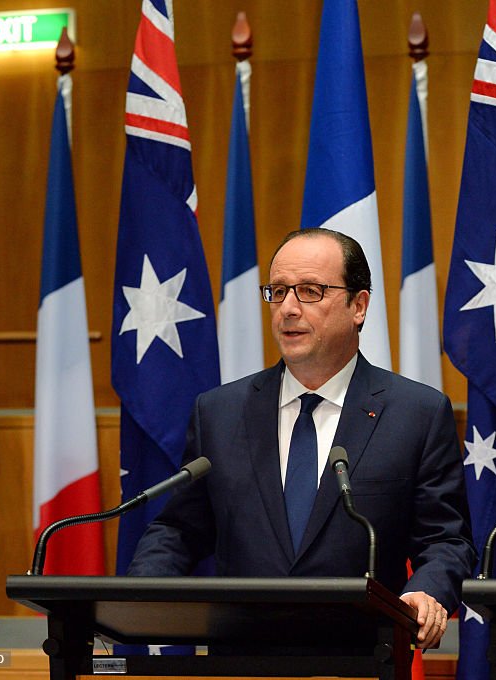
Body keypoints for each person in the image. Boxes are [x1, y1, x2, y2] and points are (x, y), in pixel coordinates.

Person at [129, 228, 475, 649]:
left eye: (310, 291)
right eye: (278, 291)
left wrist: (427, 591)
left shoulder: (416, 414)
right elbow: (180, 529)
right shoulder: (219, 412)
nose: (288, 309)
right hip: (241, 663)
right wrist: (145, 588)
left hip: (361, 661)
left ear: (359, 305)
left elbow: (445, 540)